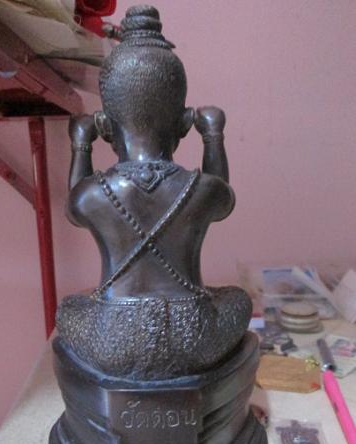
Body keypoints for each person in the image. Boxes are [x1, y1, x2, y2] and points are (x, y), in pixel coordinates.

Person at [57, 5, 252, 379]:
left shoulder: (93, 194)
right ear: (185, 123)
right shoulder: (201, 189)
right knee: (238, 299)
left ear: (105, 127)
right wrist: (213, 135)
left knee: (69, 307)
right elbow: (224, 198)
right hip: (194, 338)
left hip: (114, 342)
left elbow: (72, 208)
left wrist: (80, 144)